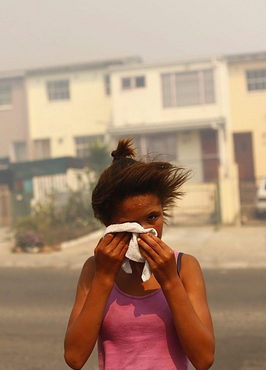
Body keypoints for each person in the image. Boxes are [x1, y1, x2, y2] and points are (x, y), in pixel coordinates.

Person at [64, 138, 215, 370]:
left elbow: (204, 359)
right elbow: (74, 357)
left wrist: (169, 280)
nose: (144, 232)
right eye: (130, 225)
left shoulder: (184, 267)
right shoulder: (95, 270)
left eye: (153, 217)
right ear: (109, 225)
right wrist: (104, 278)